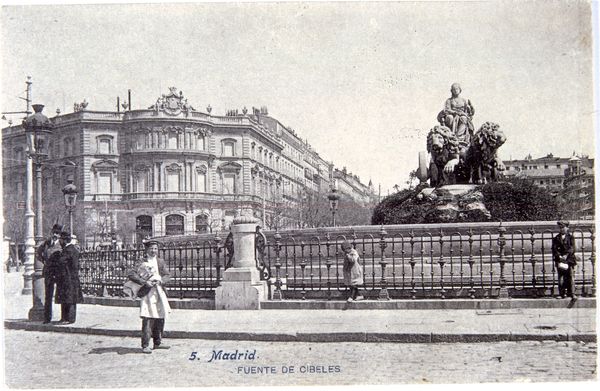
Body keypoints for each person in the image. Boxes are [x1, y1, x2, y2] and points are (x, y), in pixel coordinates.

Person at [127, 240, 171, 354]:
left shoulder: (160, 261)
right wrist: (144, 282)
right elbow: (131, 274)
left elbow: (167, 275)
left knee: (160, 316)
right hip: (147, 292)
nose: (153, 251)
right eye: (151, 248)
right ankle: (145, 344)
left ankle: (158, 342)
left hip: (159, 291)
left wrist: (161, 281)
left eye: (155, 248)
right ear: (146, 249)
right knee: (148, 317)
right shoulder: (141, 261)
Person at [36, 224, 64, 324]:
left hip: (59, 272)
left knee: (61, 295)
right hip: (48, 272)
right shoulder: (46, 244)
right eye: (54, 232)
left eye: (57, 233)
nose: (55, 235)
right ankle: (47, 318)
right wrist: (44, 261)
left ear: (60, 235)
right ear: (51, 232)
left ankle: (63, 317)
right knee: (48, 296)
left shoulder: (62, 244)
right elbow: (38, 253)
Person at [56, 231, 83, 324]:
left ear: (64, 240)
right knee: (70, 298)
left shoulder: (67, 251)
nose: (59, 241)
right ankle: (66, 318)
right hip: (72, 278)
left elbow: (61, 262)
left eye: (60, 239)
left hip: (67, 278)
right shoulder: (73, 249)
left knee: (68, 299)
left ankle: (68, 319)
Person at [438, 83, 475, 147]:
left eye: (457, 89)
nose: (455, 90)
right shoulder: (449, 100)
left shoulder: (464, 100)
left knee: (464, 118)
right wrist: (454, 112)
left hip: (462, 115)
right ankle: (450, 134)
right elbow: (447, 109)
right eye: (454, 89)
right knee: (450, 117)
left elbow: (468, 111)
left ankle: (458, 137)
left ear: (460, 90)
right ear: (451, 91)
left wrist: (471, 108)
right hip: (452, 114)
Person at [552, 221, 578, 300]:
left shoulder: (570, 237)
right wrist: (559, 256)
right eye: (560, 228)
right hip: (560, 259)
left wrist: (566, 255)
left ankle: (572, 293)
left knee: (571, 276)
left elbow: (573, 248)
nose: (562, 229)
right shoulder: (556, 238)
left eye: (563, 227)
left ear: (567, 228)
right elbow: (554, 249)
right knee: (561, 277)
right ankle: (561, 293)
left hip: (569, 259)